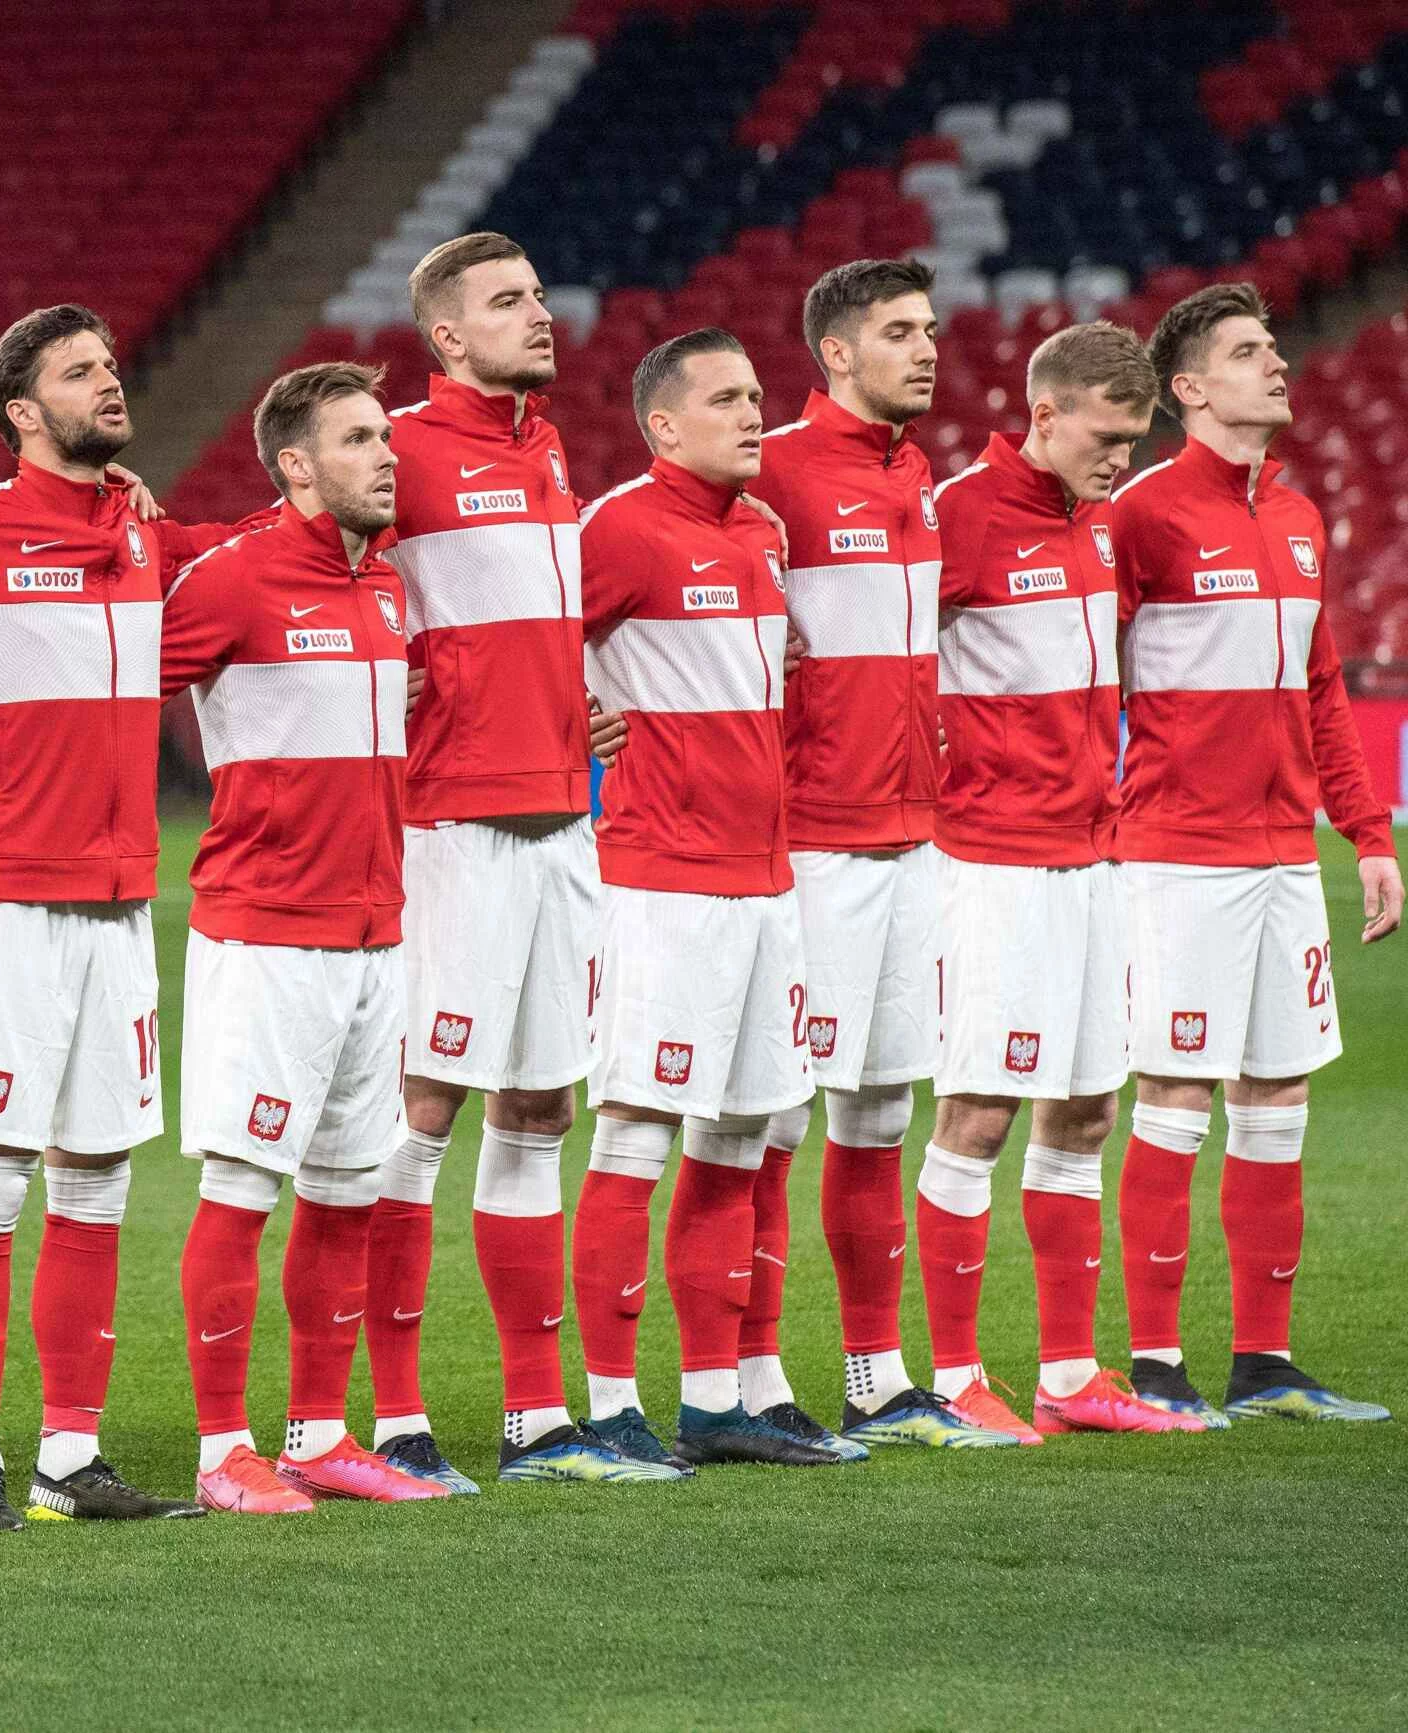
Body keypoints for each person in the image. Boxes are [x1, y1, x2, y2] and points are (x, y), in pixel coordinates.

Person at [0, 306, 216, 1528]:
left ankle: (70, 1456)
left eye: (111, 366)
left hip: (121, 904)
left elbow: (261, 556)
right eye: (80, 372)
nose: (108, 383)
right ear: (22, 410)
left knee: (96, 1176)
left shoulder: (141, 528)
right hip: (3, 900)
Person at [360, 232, 644, 1489]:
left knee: (540, 1106)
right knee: (421, 1109)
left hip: (557, 819)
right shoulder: (399, 450)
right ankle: (389, 1414)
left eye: (537, 292)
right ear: (444, 337)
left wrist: (556, 696)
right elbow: (293, 552)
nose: (538, 314)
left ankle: (535, 1419)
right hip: (452, 830)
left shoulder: (542, 449)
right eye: (506, 302)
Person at [1109, 282, 1399, 1425]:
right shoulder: (1139, 513)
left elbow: (1320, 688)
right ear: (1187, 388)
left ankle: (1263, 1362)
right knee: (1174, 1092)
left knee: (1273, 1095)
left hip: (1284, 859)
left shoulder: (1293, 516)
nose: (1273, 362)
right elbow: (1085, 674)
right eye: (1244, 351)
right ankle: (1151, 1362)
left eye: (1273, 345)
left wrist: (1364, 834)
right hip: (1178, 857)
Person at [167, 361, 445, 1512]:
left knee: (344, 1192)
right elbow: (109, 690)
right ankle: (220, 1448)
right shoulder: (229, 580)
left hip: (375, 935)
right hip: (265, 934)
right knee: (244, 1188)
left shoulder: (383, 587)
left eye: (386, 435)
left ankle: (318, 1432)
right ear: (295, 464)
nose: (388, 455)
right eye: (359, 439)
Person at [745, 258, 1014, 1448]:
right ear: (835, 353)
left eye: (930, 328)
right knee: (772, 1117)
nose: (926, 348)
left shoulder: (914, 477)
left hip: (915, 840)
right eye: (898, 332)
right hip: (809, 843)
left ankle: (872, 1374)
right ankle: (748, 1381)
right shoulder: (772, 475)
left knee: (875, 1114)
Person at [571, 328, 849, 1471]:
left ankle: (716, 1397)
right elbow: (524, 652)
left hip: (763, 882)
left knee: (753, 1131)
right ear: (662, 424)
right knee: (636, 1130)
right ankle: (597, 1404)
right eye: (725, 399)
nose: (753, 414)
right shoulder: (619, 527)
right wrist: (569, 725)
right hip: (659, 884)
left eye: (755, 395)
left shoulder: (764, 534)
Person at [919, 323, 1197, 1437]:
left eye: (1135, 439)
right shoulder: (955, 515)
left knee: (1083, 1108)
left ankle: (1071, 1374)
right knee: (978, 1110)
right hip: (991, 862)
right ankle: (945, 1375)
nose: (1121, 458)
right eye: (1105, 434)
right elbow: (858, 651)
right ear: (1041, 412)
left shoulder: (1093, 526)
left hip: (1092, 859)